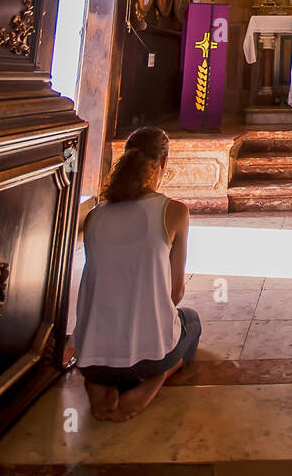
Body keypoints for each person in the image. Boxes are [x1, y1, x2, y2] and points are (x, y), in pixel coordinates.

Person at [73, 126, 201, 422]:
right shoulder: (175, 211)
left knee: (110, 340)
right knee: (191, 322)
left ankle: (99, 383)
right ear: (164, 162)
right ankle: (152, 384)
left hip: (91, 359)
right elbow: (175, 293)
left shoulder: (95, 216)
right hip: (151, 357)